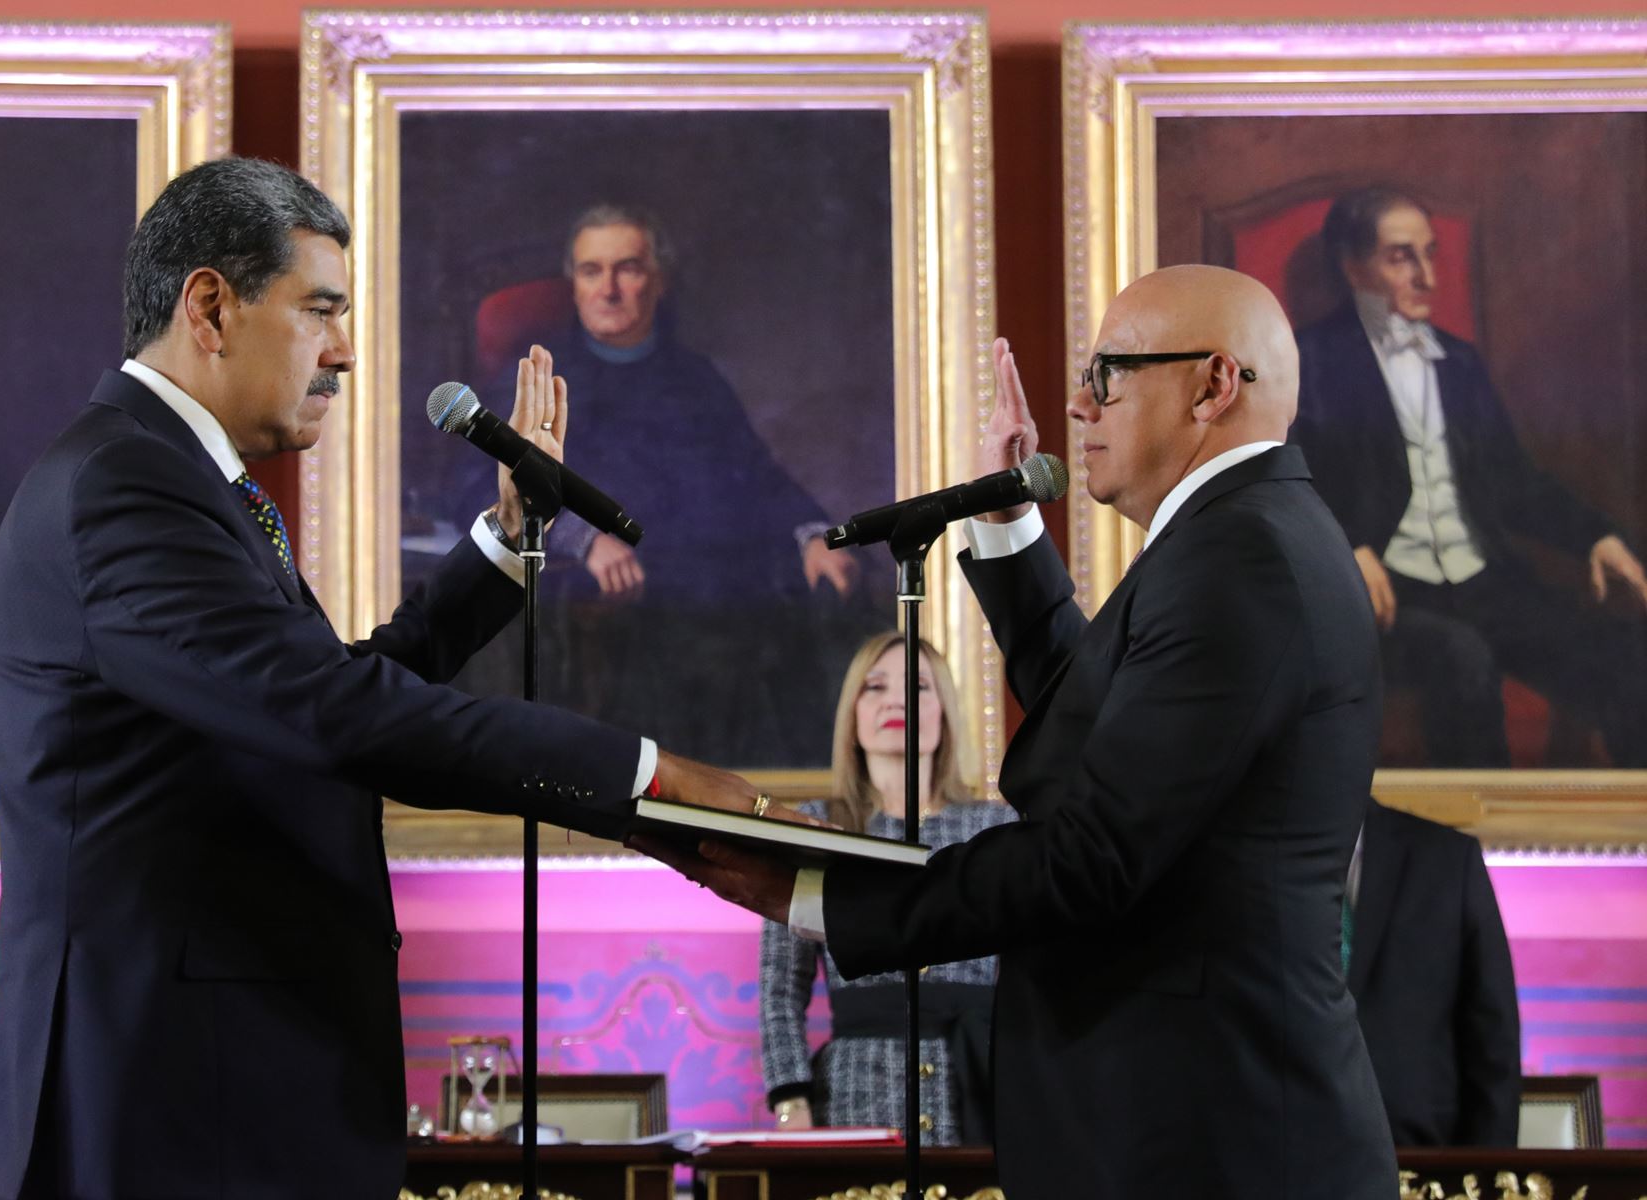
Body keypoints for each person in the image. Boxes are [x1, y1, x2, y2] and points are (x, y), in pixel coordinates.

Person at [0, 158, 777, 1200]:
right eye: (320, 310)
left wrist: (505, 542)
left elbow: (314, 699)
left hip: (220, 1092)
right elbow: (334, 715)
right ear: (212, 306)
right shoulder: (124, 490)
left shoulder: (162, 477)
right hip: (169, 1101)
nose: (344, 352)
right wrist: (646, 776)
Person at [638, 265, 1399, 1198]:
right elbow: (1105, 737)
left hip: (1214, 1136)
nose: (1079, 404)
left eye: (1109, 373)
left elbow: (1093, 855)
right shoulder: (1243, 535)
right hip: (1193, 1120)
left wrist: (826, 893)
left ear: (1212, 385)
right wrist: (1007, 525)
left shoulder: (1241, 556)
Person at [411, 204, 882, 766]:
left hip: (720, 593)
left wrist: (810, 536)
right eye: (591, 271)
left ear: (657, 282)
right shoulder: (536, 380)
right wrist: (581, 540)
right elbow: (479, 492)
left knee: (846, 607)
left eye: (627, 268)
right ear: (574, 284)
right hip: (612, 608)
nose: (608, 288)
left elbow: (757, 476)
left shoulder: (696, 378)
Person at [1291, 185, 1647, 767]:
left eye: (1430, 253)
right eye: (1402, 256)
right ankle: (1478, 853)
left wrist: (1596, 536)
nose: (1427, 276)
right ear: (1353, 266)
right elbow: (1281, 483)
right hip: (1387, 594)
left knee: (1621, 654)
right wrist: (1342, 547)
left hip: (1484, 580)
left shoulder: (1459, 363)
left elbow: (1516, 482)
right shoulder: (1309, 360)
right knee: (1463, 659)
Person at [759, 632, 1012, 1145]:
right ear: (852, 713)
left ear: (944, 712)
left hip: (990, 1085)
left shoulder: (999, 828)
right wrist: (791, 1103)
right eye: (874, 687)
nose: (896, 700)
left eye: (917, 686)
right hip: (857, 1091)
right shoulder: (814, 828)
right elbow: (779, 990)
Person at [1348, 799, 1521, 1146]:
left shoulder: (1447, 859)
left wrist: (1486, 1179)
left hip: (1420, 1162)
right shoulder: (1241, 854)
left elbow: (1493, 1037)